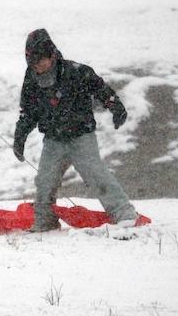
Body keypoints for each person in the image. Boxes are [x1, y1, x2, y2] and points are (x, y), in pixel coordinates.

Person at [13, 28, 145, 232]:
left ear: (52, 55)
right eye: (33, 63)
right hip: (53, 140)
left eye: (41, 61)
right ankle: (45, 221)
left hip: (81, 136)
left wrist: (115, 107)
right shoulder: (31, 79)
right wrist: (19, 137)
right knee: (45, 181)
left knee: (96, 174)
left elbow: (102, 89)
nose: (37, 66)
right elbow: (28, 111)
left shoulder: (76, 71)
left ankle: (125, 215)